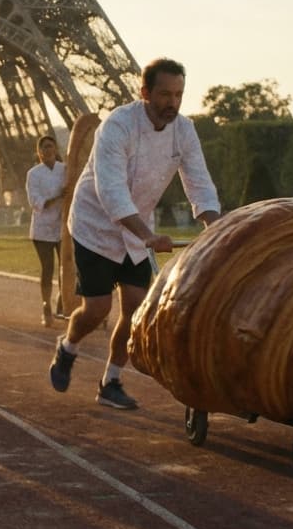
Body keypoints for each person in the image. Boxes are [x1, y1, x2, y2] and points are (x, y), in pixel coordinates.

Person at [48, 58, 221, 409]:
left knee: (136, 308)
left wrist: (215, 228)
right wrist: (147, 236)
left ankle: (110, 381)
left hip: (137, 228)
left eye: (178, 95)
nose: (172, 102)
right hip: (94, 224)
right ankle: (67, 347)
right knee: (96, 310)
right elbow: (111, 191)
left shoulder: (184, 130)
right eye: (164, 94)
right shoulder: (117, 125)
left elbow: (198, 182)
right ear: (144, 93)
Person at [25, 135, 70, 327]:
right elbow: (35, 201)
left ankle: (62, 301)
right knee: (48, 268)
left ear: (56, 149)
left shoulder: (66, 170)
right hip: (42, 228)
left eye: (51, 146)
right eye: (44, 148)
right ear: (39, 152)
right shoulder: (33, 174)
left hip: (61, 227)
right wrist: (58, 197)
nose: (48, 151)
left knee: (65, 269)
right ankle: (46, 305)